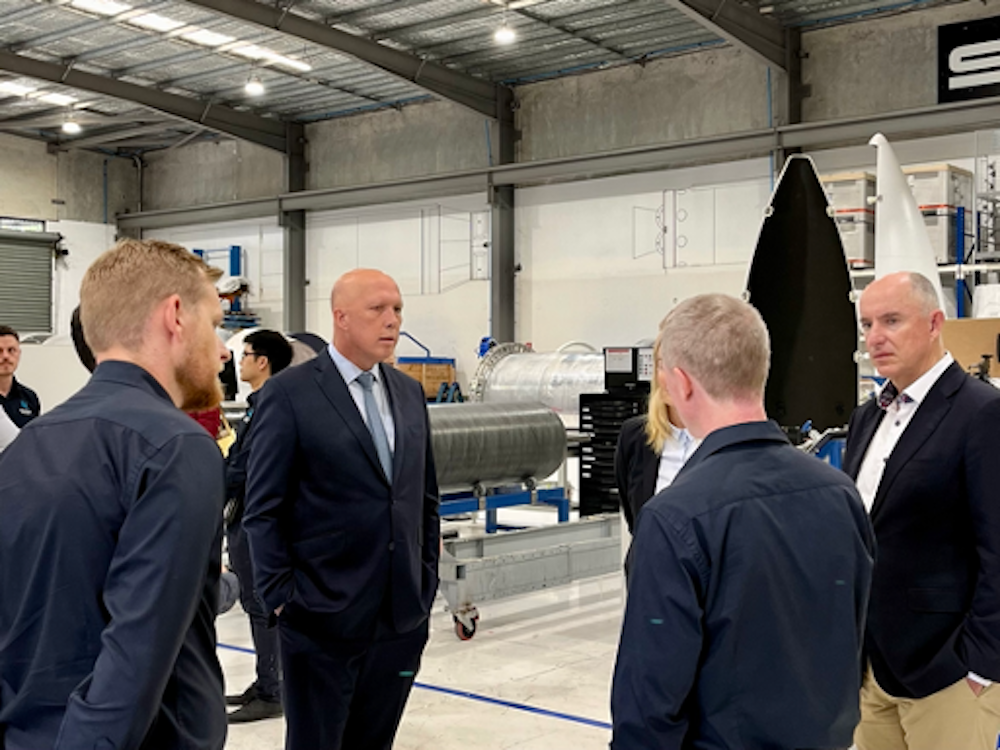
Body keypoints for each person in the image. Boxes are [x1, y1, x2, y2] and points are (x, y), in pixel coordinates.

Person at [610, 293, 875, 750]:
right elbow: (854, 640)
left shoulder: (674, 518)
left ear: (682, 383)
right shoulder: (839, 493)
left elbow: (649, 705)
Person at [0, 239, 230, 749]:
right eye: (215, 324)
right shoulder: (177, 447)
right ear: (175, 315)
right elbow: (135, 653)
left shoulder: (28, 445)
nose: (223, 350)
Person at [244, 268, 440, 750]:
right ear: (341, 317)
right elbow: (262, 508)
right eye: (378, 309)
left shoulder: (409, 392)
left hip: (399, 618)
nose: (392, 320)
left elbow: (424, 500)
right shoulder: (289, 395)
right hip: (319, 619)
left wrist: (425, 580)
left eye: (397, 309)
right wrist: (284, 597)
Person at [844, 271, 1000, 750]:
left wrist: (979, 666)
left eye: (891, 320)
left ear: (935, 323)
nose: (875, 337)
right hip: (870, 670)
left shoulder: (981, 412)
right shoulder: (867, 418)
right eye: (867, 324)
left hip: (947, 674)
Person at [224, 329, 293, 723]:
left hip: (255, 518)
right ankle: (266, 680)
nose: (240, 361)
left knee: (260, 605)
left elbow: (244, 466)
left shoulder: (270, 404)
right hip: (247, 514)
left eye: (246, 354)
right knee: (256, 605)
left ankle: (272, 689)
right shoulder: (261, 403)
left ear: (262, 361)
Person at [614, 339, 698, 537]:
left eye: (681, 366)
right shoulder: (635, 437)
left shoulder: (727, 440)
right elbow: (635, 521)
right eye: (661, 364)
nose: (669, 377)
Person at [0, 325, 40, 428]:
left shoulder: (30, 397)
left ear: (19, 353)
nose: (5, 356)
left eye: (11, 350)